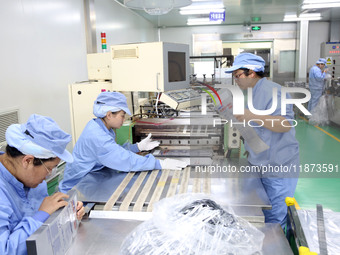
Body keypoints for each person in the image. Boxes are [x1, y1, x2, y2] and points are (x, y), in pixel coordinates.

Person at [225, 53, 300, 229]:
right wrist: (250, 141)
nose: (236, 80)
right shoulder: (254, 92)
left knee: (276, 216)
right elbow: (261, 124)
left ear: (251, 72)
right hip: (262, 159)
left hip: (278, 164)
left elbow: (284, 123)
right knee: (263, 209)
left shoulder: (273, 90)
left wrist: (251, 115)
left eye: (238, 76)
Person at [59, 92, 188, 193]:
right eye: (122, 115)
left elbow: (113, 151)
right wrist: (158, 163)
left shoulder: (102, 127)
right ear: (109, 115)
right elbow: (123, 160)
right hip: (76, 187)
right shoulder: (97, 136)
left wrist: (137, 147)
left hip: (92, 177)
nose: (124, 119)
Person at [0, 114, 85, 255]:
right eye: (49, 169)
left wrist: (66, 217)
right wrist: (43, 214)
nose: (48, 176)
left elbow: (42, 226)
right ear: (27, 161)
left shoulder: (35, 183)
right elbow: (5, 250)